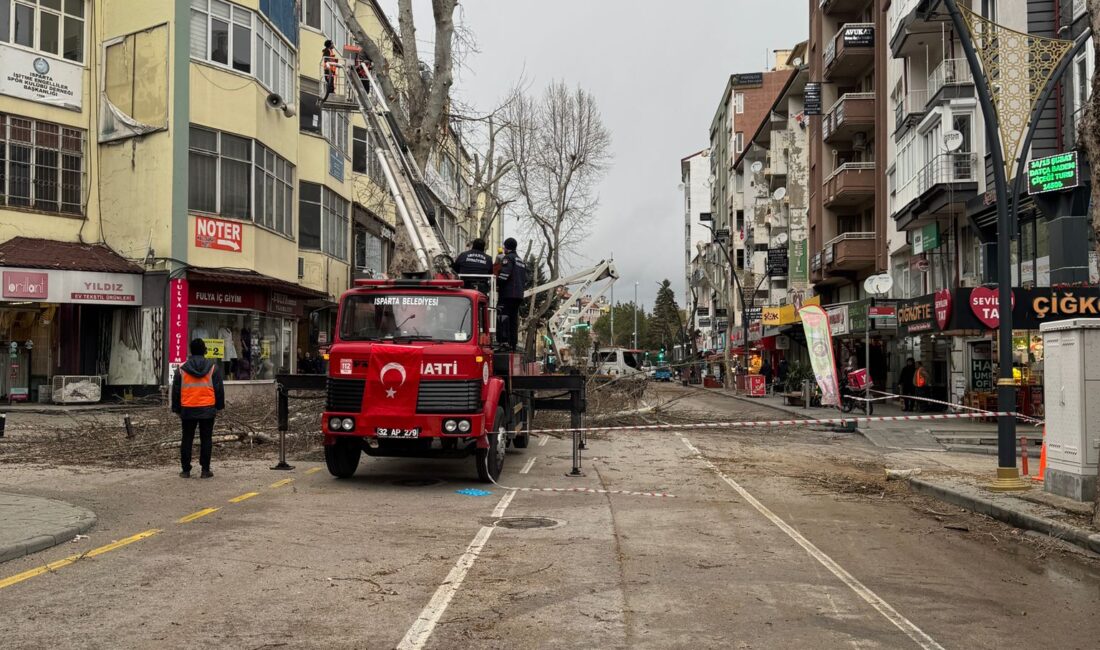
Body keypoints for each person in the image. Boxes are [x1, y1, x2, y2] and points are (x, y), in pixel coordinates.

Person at [171, 339, 225, 479]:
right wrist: (219, 407)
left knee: (187, 439)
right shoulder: (213, 368)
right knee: (206, 439)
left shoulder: (182, 369)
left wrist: (176, 409)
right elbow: (218, 389)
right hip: (207, 409)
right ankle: (205, 470)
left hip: (188, 409)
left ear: (190, 351)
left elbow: (176, 391)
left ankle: (185, 470)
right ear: (204, 350)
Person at [495, 237, 527, 351]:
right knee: (513, 320)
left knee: (502, 317)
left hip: (507, 294)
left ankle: (504, 343)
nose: (503, 248)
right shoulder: (520, 260)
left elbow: (505, 274)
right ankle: (513, 344)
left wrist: (495, 283)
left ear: (507, 247)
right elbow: (525, 278)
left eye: (504, 246)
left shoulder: (508, 258)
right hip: (518, 295)